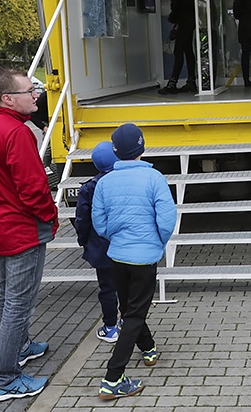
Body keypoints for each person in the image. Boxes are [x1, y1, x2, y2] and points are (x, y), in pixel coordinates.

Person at [0, 66, 58, 402]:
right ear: (7, 98)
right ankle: (4, 378)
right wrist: (51, 216)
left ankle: (21, 347)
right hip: (23, 230)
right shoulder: (17, 134)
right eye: (29, 91)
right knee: (19, 303)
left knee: (5, 294)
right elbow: (33, 188)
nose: (36, 96)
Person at [93, 123, 177, 400]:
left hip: (117, 255)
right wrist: (157, 243)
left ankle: (149, 349)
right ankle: (113, 378)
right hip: (144, 257)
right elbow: (166, 220)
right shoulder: (155, 179)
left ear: (116, 152)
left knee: (129, 306)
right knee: (134, 314)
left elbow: (99, 223)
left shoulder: (104, 182)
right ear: (142, 147)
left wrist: (115, 237)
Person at [74, 141, 122, 343]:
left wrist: (83, 240)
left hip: (102, 248)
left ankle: (110, 327)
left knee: (108, 289)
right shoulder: (125, 183)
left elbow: (82, 219)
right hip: (126, 245)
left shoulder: (89, 188)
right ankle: (128, 321)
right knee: (128, 286)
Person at [159, 0, 201, 95]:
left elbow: (181, 2)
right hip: (190, 20)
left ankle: (172, 83)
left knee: (179, 51)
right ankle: (191, 81)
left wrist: (176, 20)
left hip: (184, 20)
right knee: (188, 50)